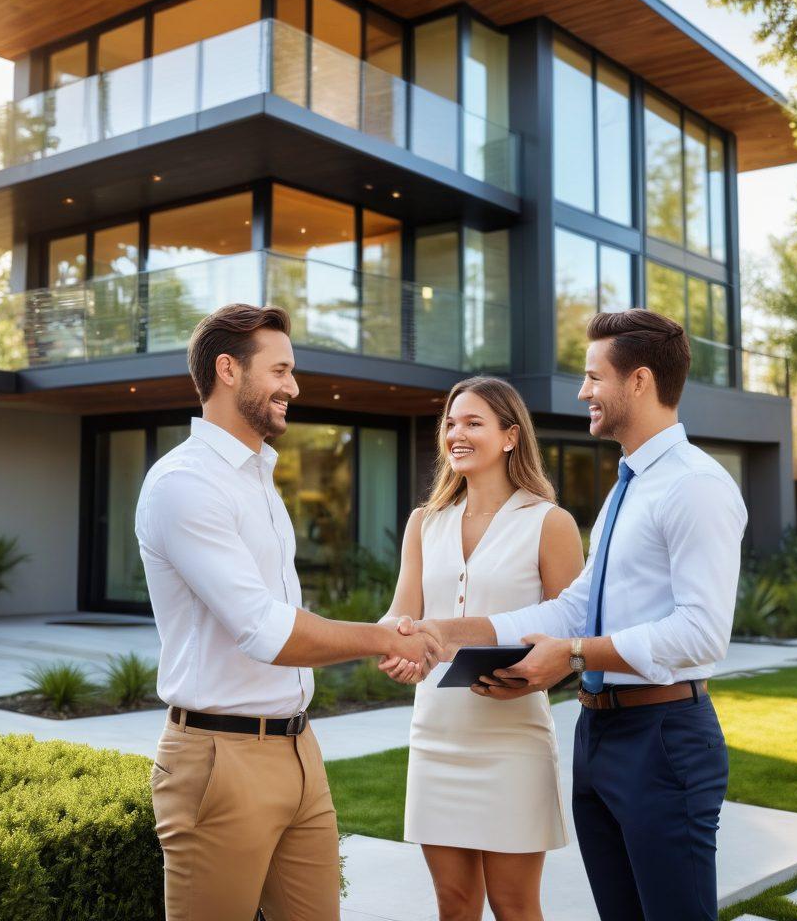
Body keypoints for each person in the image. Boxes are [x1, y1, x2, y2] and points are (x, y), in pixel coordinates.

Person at [397, 309, 748, 921]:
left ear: (639, 381)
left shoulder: (695, 484)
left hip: (663, 735)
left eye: (593, 377)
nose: (583, 391)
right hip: (602, 733)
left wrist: (576, 653)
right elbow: (574, 607)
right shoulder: (628, 487)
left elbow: (702, 632)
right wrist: (444, 633)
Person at [135, 303, 439, 921]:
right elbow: (265, 631)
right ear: (228, 370)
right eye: (279, 371)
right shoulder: (185, 484)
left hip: (299, 747)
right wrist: (385, 638)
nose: (293, 387)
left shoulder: (258, 479)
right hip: (220, 758)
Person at [378, 376, 585, 920]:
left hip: (513, 740)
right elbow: (401, 611)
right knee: (453, 904)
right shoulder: (424, 522)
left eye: (474, 422)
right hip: (436, 736)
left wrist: (543, 670)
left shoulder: (550, 523)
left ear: (511, 436)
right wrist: (393, 642)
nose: (457, 434)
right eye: (451, 423)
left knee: (514, 905)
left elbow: (573, 631)